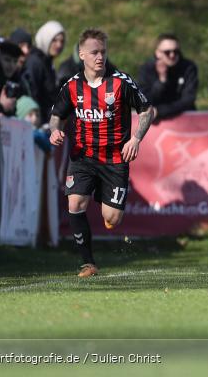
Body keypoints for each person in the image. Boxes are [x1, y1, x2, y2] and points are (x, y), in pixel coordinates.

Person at [49, 28, 154, 278]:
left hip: (115, 158)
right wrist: (55, 131)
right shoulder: (72, 86)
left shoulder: (120, 82)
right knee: (74, 203)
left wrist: (136, 138)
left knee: (112, 218)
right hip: (82, 157)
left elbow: (147, 110)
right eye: (94, 52)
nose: (100, 57)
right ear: (81, 53)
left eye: (103, 52)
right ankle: (87, 263)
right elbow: (56, 116)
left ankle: (103, 196)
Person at [137, 33, 198, 122]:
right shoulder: (147, 69)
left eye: (176, 51)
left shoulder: (188, 67)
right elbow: (145, 100)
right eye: (167, 52)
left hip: (185, 122)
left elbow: (188, 100)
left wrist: (160, 111)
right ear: (158, 53)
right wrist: (162, 80)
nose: (172, 55)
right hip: (155, 124)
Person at [23, 20, 66, 125]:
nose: (59, 45)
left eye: (62, 41)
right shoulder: (35, 62)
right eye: (55, 40)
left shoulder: (48, 62)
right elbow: (32, 92)